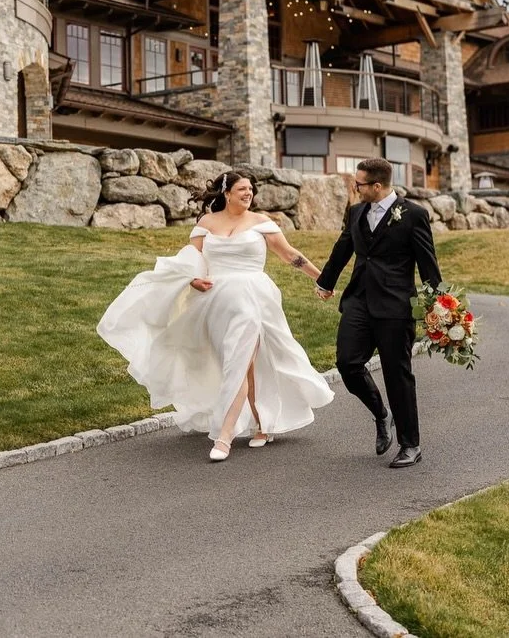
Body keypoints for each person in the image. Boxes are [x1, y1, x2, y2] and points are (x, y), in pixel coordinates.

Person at [97, 172, 334, 462]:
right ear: (227, 193)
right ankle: (263, 423)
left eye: (250, 189)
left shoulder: (261, 223)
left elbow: (289, 255)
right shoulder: (206, 224)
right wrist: (194, 280)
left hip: (253, 298)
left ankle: (224, 436)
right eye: (242, 189)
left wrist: (323, 279)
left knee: (238, 360)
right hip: (215, 302)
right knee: (240, 365)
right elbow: (192, 261)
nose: (248, 194)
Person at [314, 158, 441, 469]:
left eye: (359, 184)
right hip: (358, 300)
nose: (354, 188)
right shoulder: (357, 211)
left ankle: (411, 444)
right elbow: (343, 247)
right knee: (347, 362)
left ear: (377, 186)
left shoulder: (413, 215)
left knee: (397, 374)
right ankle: (381, 413)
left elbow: (428, 264)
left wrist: (437, 304)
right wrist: (326, 282)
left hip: (395, 306)